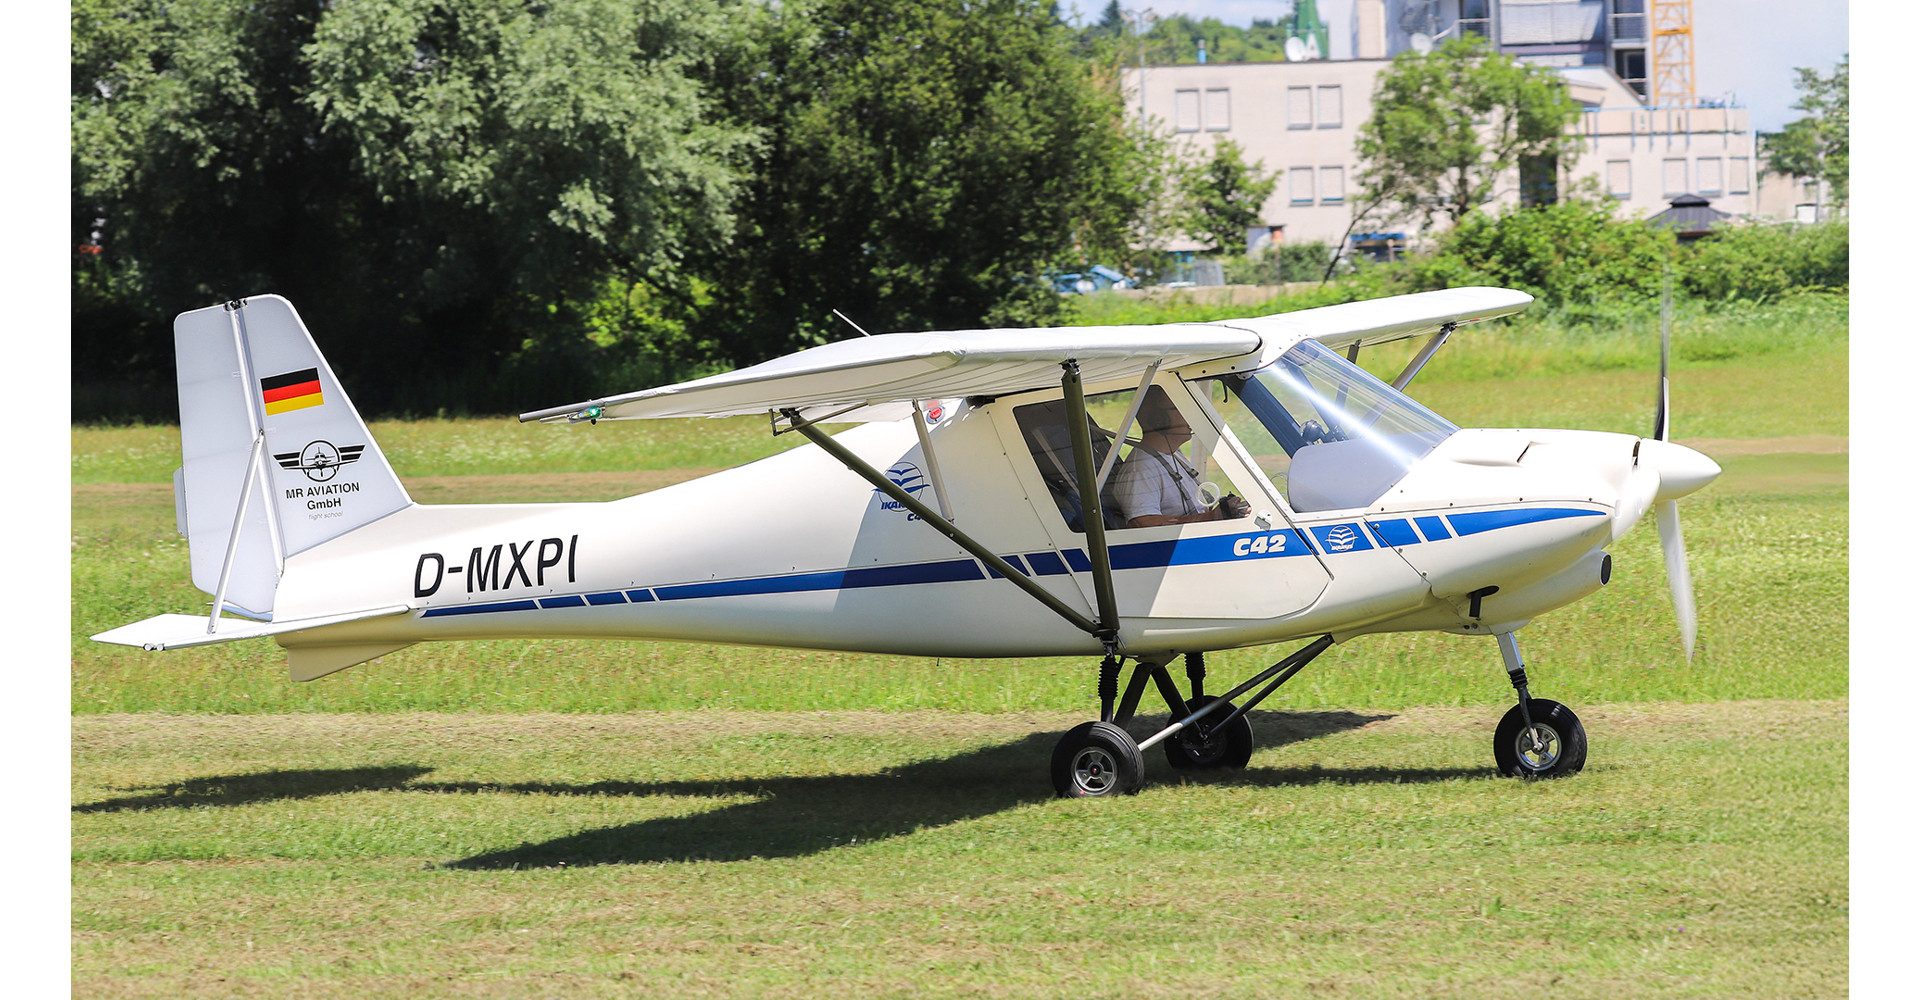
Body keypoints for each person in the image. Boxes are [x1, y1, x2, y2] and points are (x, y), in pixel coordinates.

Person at [1110, 390, 1253, 528]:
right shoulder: (1141, 468)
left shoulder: (1174, 453)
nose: (1189, 415)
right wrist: (1211, 517)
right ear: (1158, 418)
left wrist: (1226, 510)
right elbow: (1143, 523)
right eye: (1180, 407)